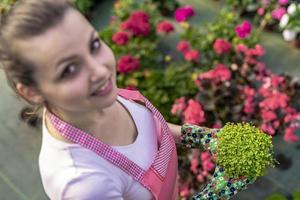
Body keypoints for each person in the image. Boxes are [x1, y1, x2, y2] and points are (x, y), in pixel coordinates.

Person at [0, 0, 254, 199]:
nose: (100, 70)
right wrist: (219, 191)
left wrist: (206, 139)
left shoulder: (92, 100)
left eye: (94, 45)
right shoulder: (84, 184)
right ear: (31, 91)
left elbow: (150, 131)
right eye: (69, 69)